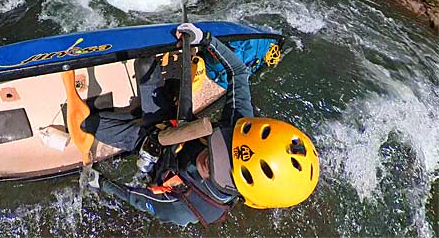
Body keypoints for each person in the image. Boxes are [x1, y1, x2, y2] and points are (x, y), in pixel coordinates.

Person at [83, 23, 320, 227]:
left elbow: (136, 197)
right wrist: (205, 40)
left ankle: (137, 116)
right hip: (175, 125)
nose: (207, 158)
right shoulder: (237, 129)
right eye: (222, 148)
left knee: (90, 123)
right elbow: (237, 72)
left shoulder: (187, 207)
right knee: (145, 64)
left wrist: (100, 182)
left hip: (149, 148)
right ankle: (155, 100)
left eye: (222, 169)